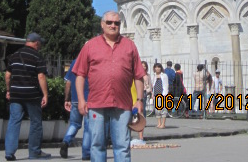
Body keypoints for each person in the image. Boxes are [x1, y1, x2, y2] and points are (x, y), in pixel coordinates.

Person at [73, 10, 145, 162]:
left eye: (116, 23)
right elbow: (80, 74)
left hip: (122, 104)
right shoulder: (90, 46)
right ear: (102, 24)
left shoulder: (129, 46)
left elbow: (138, 75)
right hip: (96, 103)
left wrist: (139, 100)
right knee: (97, 145)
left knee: (122, 145)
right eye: (109, 22)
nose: (113, 25)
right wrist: (81, 100)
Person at [4, 32, 51, 161]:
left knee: (14, 121)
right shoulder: (37, 57)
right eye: (40, 44)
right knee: (35, 122)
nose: (40, 46)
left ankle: (9, 152)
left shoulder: (14, 55)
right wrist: (45, 94)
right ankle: (34, 152)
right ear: (36, 43)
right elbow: (41, 76)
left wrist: (8, 90)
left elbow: (7, 75)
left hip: (15, 95)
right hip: (32, 95)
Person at [60, 59, 90, 160]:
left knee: (74, 124)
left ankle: (66, 141)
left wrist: (67, 99)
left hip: (75, 99)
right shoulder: (92, 61)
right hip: (88, 99)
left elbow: (68, 82)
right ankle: (86, 153)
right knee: (88, 127)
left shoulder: (74, 62)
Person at [153, 62, 169, 128]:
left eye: (159, 67)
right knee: (157, 110)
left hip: (162, 94)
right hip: (155, 94)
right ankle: (159, 123)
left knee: (163, 109)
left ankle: (163, 124)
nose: (157, 68)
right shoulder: (154, 76)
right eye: (156, 67)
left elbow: (166, 85)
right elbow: (153, 85)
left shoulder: (164, 75)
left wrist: (165, 94)